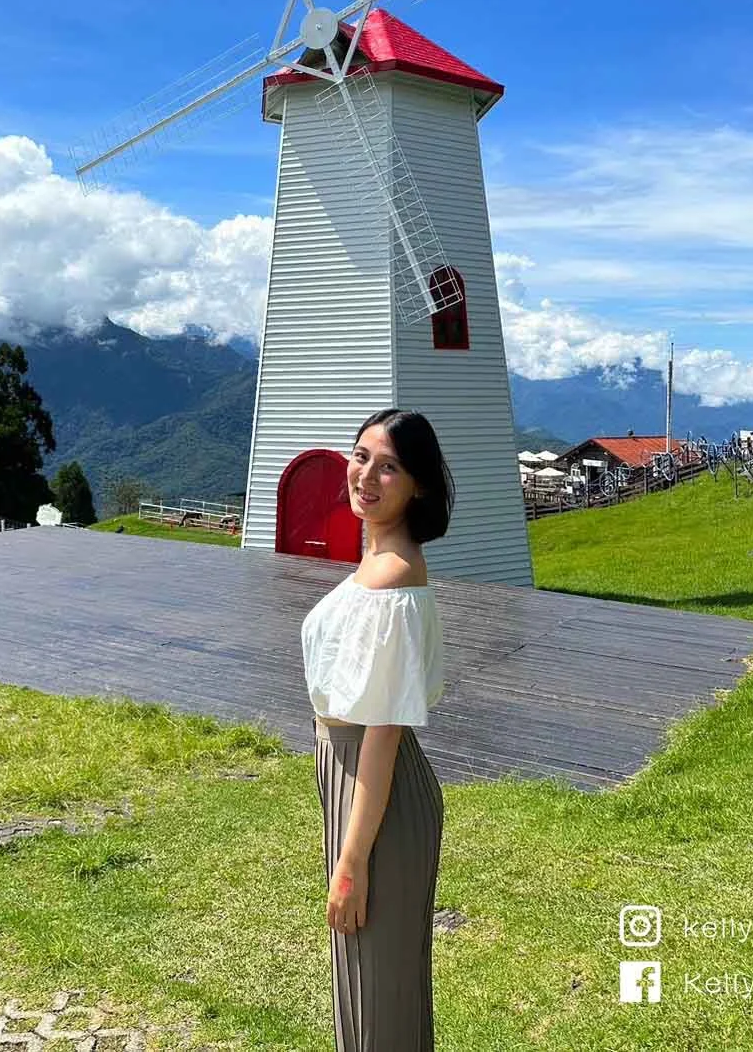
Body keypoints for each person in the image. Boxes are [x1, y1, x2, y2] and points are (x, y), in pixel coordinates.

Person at [301, 408, 451, 1050]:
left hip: (375, 789)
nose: (366, 475)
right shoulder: (379, 563)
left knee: (375, 996)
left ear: (417, 485)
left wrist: (352, 861)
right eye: (361, 456)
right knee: (373, 987)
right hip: (358, 778)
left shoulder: (393, 580)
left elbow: (383, 732)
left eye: (389, 466)